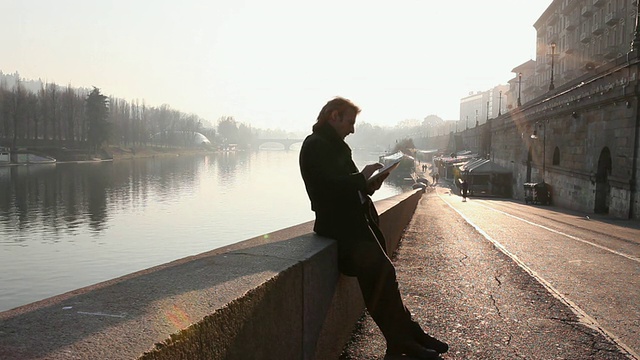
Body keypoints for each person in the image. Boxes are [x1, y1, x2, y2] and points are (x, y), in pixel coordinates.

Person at [299, 97, 448, 359]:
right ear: (334, 116)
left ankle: (405, 337)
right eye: (350, 121)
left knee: (382, 277)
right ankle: (404, 338)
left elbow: (347, 186)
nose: (353, 129)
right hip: (338, 227)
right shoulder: (315, 146)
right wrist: (361, 177)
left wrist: (369, 185)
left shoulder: (334, 146)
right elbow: (326, 188)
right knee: (382, 274)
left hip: (352, 224)